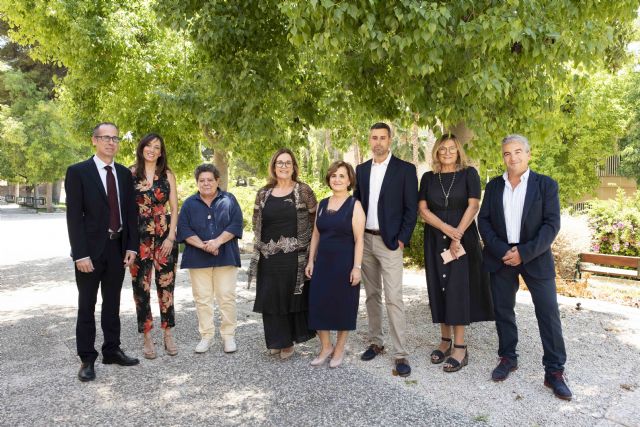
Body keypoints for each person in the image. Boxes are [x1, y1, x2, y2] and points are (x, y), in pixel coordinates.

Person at [477, 134, 572, 400]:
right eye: (507, 153)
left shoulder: (546, 185)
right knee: (503, 310)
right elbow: (484, 221)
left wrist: (524, 253)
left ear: (528, 154)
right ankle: (508, 357)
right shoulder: (494, 186)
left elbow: (551, 225)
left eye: (518, 152)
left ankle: (554, 371)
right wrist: (502, 250)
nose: (513, 157)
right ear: (503, 157)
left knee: (548, 313)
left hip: (535, 256)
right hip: (501, 257)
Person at [65, 122, 140, 382]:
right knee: (87, 305)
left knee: (113, 303)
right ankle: (87, 358)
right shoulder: (78, 172)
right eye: (105, 137)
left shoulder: (124, 174)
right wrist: (80, 254)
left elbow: (130, 213)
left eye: (115, 138)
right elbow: (74, 217)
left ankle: (112, 350)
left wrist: (131, 246)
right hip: (90, 251)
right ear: (94, 140)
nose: (111, 142)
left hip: (117, 248)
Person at [418, 134, 494, 373]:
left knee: (457, 288)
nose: (447, 152)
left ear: (458, 151)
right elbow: (423, 210)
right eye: (442, 149)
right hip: (435, 238)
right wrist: (445, 229)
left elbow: (473, 205)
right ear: (436, 152)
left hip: (463, 238)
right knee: (438, 287)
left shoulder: (469, 174)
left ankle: (460, 347)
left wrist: (456, 234)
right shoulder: (428, 178)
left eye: (452, 148)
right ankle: (445, 341)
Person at [354, 122, 418, 377]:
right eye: (374, 138)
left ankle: (400, 353)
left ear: (390, 140)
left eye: (382, 137)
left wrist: (402, 239)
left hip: (390, 242)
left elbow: (411, 209)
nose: (378, 142)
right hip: (365, 241)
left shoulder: (405, 170)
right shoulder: (361, 170)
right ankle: (376, 342)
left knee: (394, 298)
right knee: (371, 295)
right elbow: (357, 204)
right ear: (369, 140)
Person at [248, 148, 317, 359]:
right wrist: (261, 247)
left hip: (294, 256)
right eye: (280, 163)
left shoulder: (303, 190)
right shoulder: (263, 193)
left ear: (294, 167)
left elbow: (315, 221)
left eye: (288, 163)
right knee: (270, 297)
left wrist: (309, 253)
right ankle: (275, 341)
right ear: (274, 166)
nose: (284, 166)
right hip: (268, 256)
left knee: (289, 297)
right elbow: (256, 220)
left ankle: (288, 342)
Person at [177, 164, 243, 354]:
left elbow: (236, 224)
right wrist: (205, 246)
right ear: (197, 182)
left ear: (217, 181)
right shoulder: (189, 204)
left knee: (226, 297)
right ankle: (206, 336)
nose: (206, 183)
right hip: (197, 258)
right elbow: (184, 229)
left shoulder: (229, 200)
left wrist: (217, 242)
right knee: (202, 299)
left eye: (209, 180)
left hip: (226, 256)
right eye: (202, 180)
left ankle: (228, 336)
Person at [305, 161, 366, 368]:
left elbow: (359, 239)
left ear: (349, 181)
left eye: (341, 176)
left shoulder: (354, 205)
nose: (337, 179)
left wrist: (357, 267)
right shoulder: (322, 204)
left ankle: (339, 349)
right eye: (333, 175)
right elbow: (315, 234)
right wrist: (311, 261)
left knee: (343, 306)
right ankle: (326, 347)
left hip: (344, 265)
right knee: (318, 304)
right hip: (322, 264)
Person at [129, 133, 179, 359]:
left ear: (161, 152)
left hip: (164, 236)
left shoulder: (167, 174)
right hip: (139, 237)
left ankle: (168, 334)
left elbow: (174, 208)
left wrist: (170, 237)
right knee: (141, 288)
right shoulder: (130, 174)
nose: (152, 149)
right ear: (142, 148)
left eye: (156, 147)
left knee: (166, 286)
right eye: (148, 145)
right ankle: (147, 336)